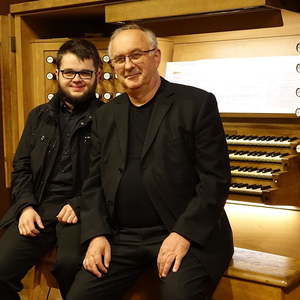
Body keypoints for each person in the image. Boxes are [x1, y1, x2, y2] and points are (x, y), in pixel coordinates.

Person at [67, 24, 233, 300]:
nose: (128, 65)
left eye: (136, 55)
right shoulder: (106, 116)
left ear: (155, 57)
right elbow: (93, 182)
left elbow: (215, 181)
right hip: (123, 237)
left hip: (180, 230)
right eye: (119, 59)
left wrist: (183, 233)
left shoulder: (195, 103)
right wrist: (96, 234)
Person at [0, 38, 103, 300]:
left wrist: (79, 203)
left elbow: (111, 175)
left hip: (80, 212)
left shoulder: (109, 118)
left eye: (84, 73)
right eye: (69, 72)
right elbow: (21, 166)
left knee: (71, 267)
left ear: (98, 75)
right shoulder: (38, 116)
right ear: (57, 73)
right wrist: (25, 205)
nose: (76, 79)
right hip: (39, 207)